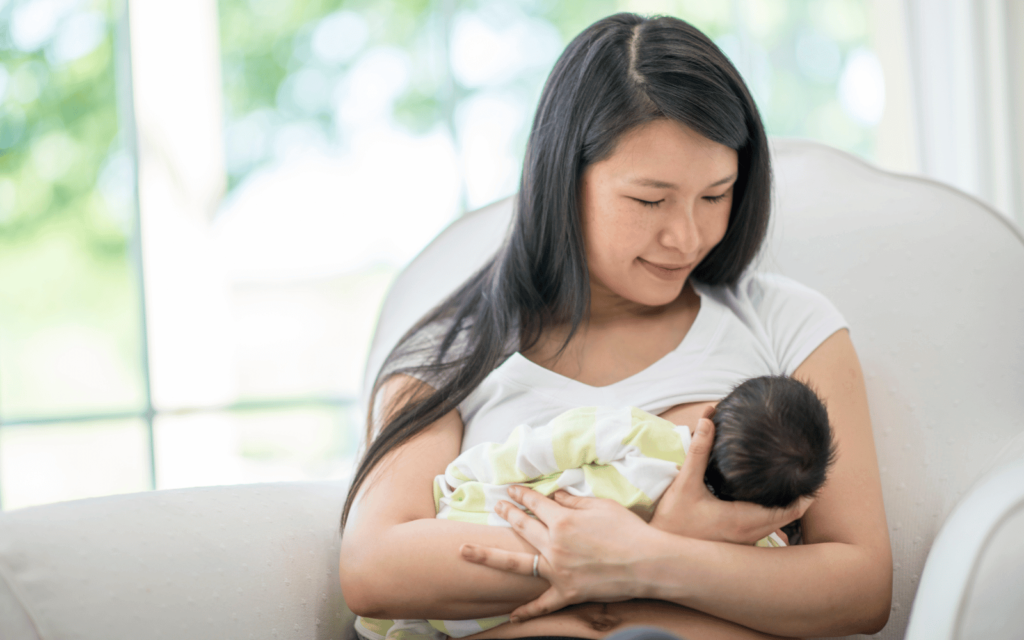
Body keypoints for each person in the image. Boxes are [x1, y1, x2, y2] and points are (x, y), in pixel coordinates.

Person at [339, 12, 892, 640]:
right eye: (649, 200)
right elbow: (373, 568)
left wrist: (650, 558)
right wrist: (653, 546)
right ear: (563, 181)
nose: (686, 236)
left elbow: (860, 586)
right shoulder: (454, 351)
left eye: (716, 195)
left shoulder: (788, 324)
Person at [355, 375, 837, 640]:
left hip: (481, 569)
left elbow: (542, 446)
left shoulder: (640, 434)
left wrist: (465, 478)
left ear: (707, 413)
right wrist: (668, 542)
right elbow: (373, 572)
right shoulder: (756, 539)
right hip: (483, 585)